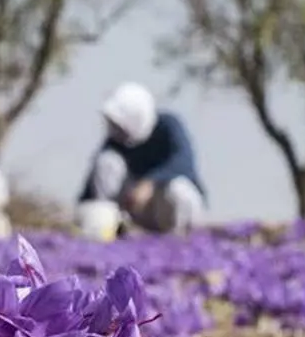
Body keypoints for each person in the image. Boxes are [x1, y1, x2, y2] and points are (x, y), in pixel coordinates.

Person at [78, 82, 208, 235]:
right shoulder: (116, 140)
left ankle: (182, 238)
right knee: (107, 162)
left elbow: (183, 162)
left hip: (165, 203)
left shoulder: (168, 126)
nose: (117, 129)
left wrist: (149, 183)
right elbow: (96, 178)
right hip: (132, 206)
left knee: (179, 189)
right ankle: (111, 229)